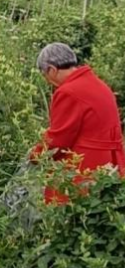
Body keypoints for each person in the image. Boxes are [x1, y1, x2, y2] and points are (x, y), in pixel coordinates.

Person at [31, 43, 125, 203]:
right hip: (112, 162)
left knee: (72, 216)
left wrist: (35, 155)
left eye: (45, 75)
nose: (48, 81)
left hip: (87, 166)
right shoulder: (98, 84)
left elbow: (59, 139)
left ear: (52, 70)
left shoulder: (68, 91)